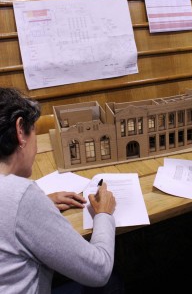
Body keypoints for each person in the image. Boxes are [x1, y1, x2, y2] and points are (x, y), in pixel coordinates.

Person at [0, 87, 123, 294]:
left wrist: (38, 206)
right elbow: (99, 270)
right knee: (113, 283)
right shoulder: (20, 195)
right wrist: (103, 214)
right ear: (20, 130)